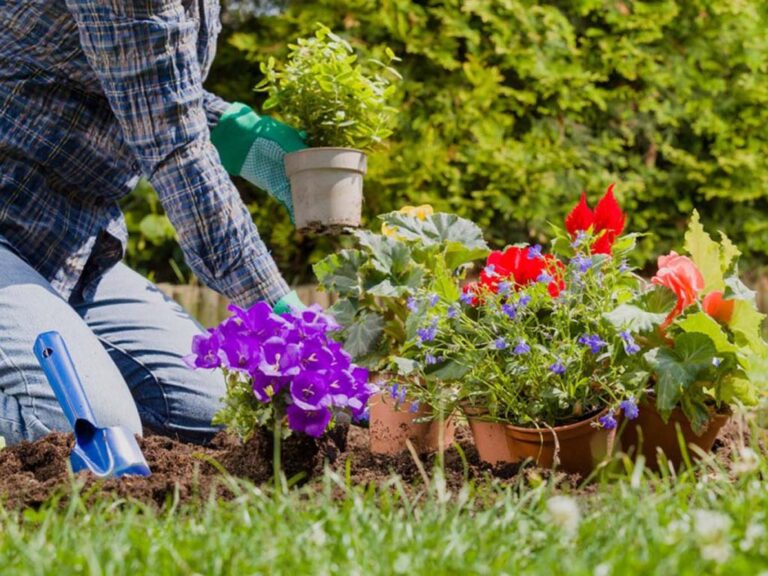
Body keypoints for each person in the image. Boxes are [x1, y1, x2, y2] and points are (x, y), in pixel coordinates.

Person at [0, 1, 307, 445]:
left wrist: (238, 132)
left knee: (214, 412)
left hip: (62, 242)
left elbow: (144, 77)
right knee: (84, 429)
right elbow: (176, 151)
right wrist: (272, 311)